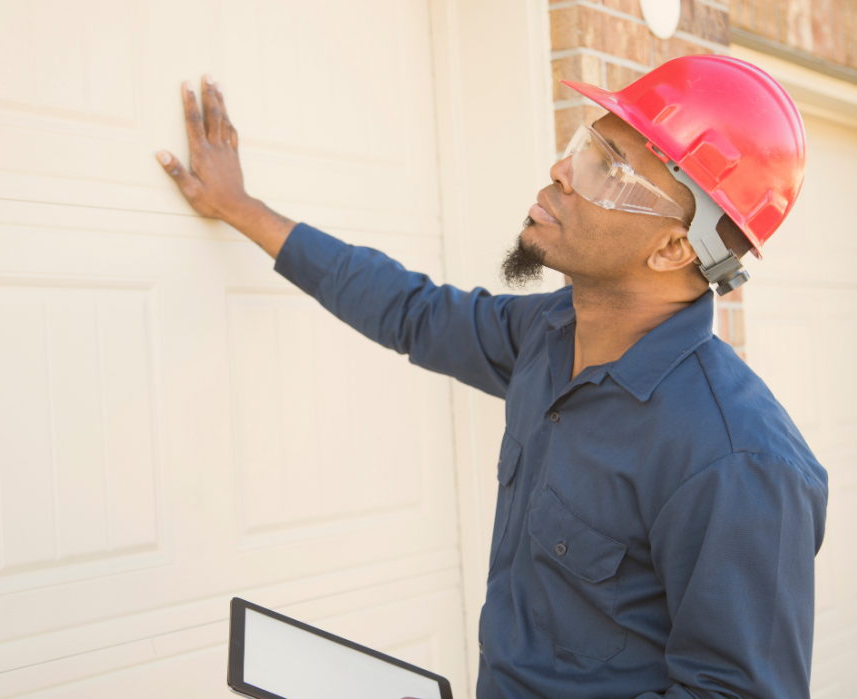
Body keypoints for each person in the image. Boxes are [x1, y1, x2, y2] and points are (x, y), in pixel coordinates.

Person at [155, 56, 828, 699]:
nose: (563, 170)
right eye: (584, 144)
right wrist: (243, 209)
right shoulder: (549, 335)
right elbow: (412, 312)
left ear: (675, 247)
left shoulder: (737, 460)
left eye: (607, 169)